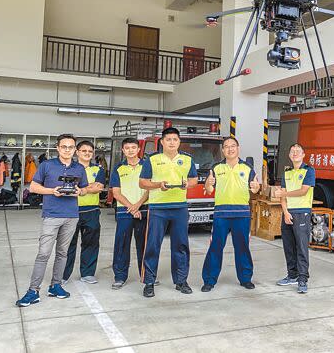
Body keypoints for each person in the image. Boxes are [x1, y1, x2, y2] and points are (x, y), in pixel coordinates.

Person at [15, 134, 89, 307]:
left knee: (63, 253)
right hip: (51, 215)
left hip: (71, 216)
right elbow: (33, 187)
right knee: (43, 254)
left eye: (71, 147)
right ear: (57, 148)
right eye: (64, 147)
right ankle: (33, 291)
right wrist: (52, 191)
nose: (67, 150)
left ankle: (55, 286)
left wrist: (80, 192)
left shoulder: (79, 168)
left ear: (75, 150)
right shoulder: (47, 165)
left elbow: (85, 189)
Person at [139, 127, 198, 298]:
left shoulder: (187, 160)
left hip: (180, 207)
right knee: (152, 246)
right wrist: (158, 185)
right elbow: (142, 183)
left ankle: (181, 281)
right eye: (168, 139)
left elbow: (193, 179)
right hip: (158, 208)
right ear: (162, 142)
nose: (172, 142)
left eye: (175, 139)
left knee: (181, 246)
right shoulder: (152, 159)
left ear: (179, 142)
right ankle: (149, 282)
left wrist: (189, 184)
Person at [202, 136, 260, 292]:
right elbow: (209, 190)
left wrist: (255, 187)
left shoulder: (247, 168)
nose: (230, 149)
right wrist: (208, 183)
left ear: (238, 148)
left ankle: (245, 279)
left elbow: (254, 190)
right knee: (215, 247)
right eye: (226, 146)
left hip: (241, 214)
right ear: (222, 150)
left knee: (242, 247)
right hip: (221, 214)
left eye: (232, 146)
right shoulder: (216, 168)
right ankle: (209, 280)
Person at [62, 140, 106, 284]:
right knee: (68, 244)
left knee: (91, 243)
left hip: (91, 211)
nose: (87, 153)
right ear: (77, 152)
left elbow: (98, 187)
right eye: (84, 151)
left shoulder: (98, 169)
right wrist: (89, 187)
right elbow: (66, 187)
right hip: (70, 211)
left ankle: (87, 273)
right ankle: (63, 275)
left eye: (90, 151)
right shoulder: (69, 168)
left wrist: (81, 188)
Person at [275, 143, 316, 294]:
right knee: (289, 246)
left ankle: (303, 279)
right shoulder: (287, 173)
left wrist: (283, 194)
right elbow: (282, 194)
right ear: (289, 155)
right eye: (292, 151)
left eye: (298, 151)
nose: (295, 153)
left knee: (301, 247)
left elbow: (303, 191)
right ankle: (292, 275)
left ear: (303, 154)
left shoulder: (309, 171)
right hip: (288, 213)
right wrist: (285, 212)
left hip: (302, 212)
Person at [110, 138, 149, 289]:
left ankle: (146, 275)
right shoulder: (118, 168)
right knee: (121, 244)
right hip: (124, 211)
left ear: (139, 149)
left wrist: (137, 206)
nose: (131, 150)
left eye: (134, 147)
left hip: (144, 210)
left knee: (144, 245)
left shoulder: (147, 166)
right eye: (127, 148)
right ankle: (120, 276)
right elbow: (116, 193)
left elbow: (149, 189)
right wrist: (132, 208)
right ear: (123, 150)